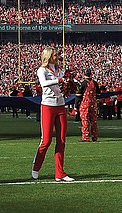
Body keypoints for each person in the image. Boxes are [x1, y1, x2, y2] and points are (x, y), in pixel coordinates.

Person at [32, 47, 74, 182]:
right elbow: (44, 84)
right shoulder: (42, 70)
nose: (58, 57)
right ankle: (36, 167)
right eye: (55, 55)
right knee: (46, 141)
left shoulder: (60, 70)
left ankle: (59, 173)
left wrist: (70, 84)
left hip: (61, 105)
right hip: (48, 107)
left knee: (61, 140)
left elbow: (64, 85)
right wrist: (59, 81)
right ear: (48, 56)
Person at [76, 69, 99, 141]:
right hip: (93, 104)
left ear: (84, 75)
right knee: (93, 121)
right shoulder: (95, 83)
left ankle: (85, 137)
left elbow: (79, 94)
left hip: (85, 104)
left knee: (85, 120)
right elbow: (98, 93)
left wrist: (76, 105)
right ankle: (94, 136)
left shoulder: (83, 83)